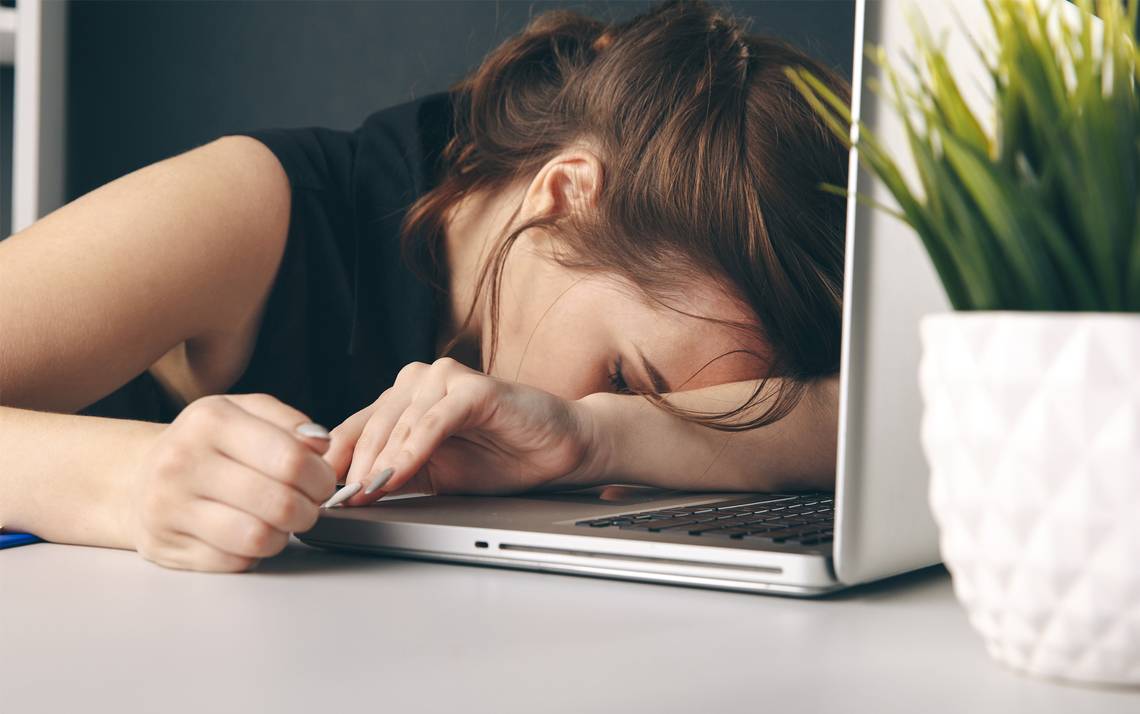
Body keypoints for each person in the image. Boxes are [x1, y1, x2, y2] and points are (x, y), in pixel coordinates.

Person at [0, 0, 849, 572]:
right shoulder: (255, 209)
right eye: (626, 378)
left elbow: (878, 412)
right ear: (563, 195)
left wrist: (603, 432)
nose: (630, 498)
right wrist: (131, 484)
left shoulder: (597, 384)